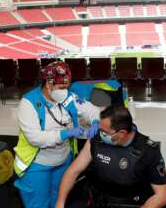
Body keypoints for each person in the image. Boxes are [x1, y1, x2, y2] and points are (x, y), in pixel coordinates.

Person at [13, 61, 100, 208]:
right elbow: (35, 138)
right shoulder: (29, 103)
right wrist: (65, 134)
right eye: (61, 87)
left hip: (62, 162)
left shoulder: (68, 98)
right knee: (38, 204)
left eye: (67, 87)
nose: (65, 92)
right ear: (48, 84)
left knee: (58, 202)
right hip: (37, 165)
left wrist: (96, 121)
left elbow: (92, 110)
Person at [55, 104, 166, 208]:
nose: (101, 134)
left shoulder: (148, 151)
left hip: (133, 201)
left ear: (121, 133)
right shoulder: (95, 140)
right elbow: (73, 171)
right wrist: (60, 203)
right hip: (100, 198)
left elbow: (162, 196)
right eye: (100, 130)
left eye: (105, 132)